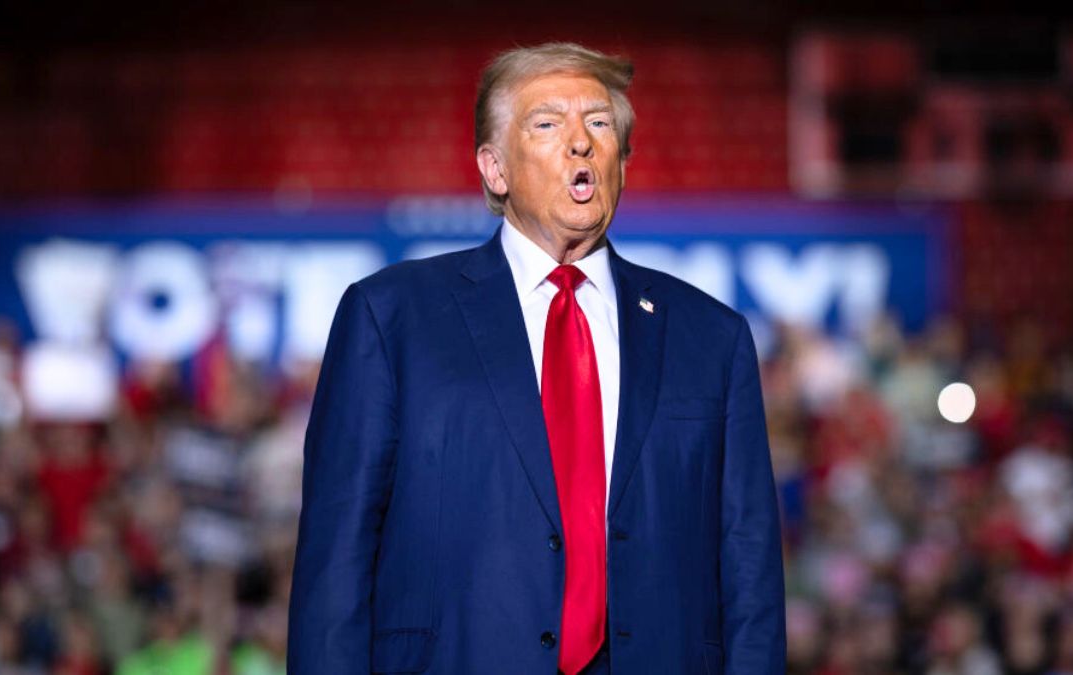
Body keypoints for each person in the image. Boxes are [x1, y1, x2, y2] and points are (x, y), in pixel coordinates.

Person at [287, 42, 784, 674]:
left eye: (599, 124)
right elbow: (337, 559)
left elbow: (750, 565)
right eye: (548, 124)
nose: (580, 142)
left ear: (623, 163)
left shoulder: (712, 338)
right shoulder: (391, 318)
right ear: (494, 170)